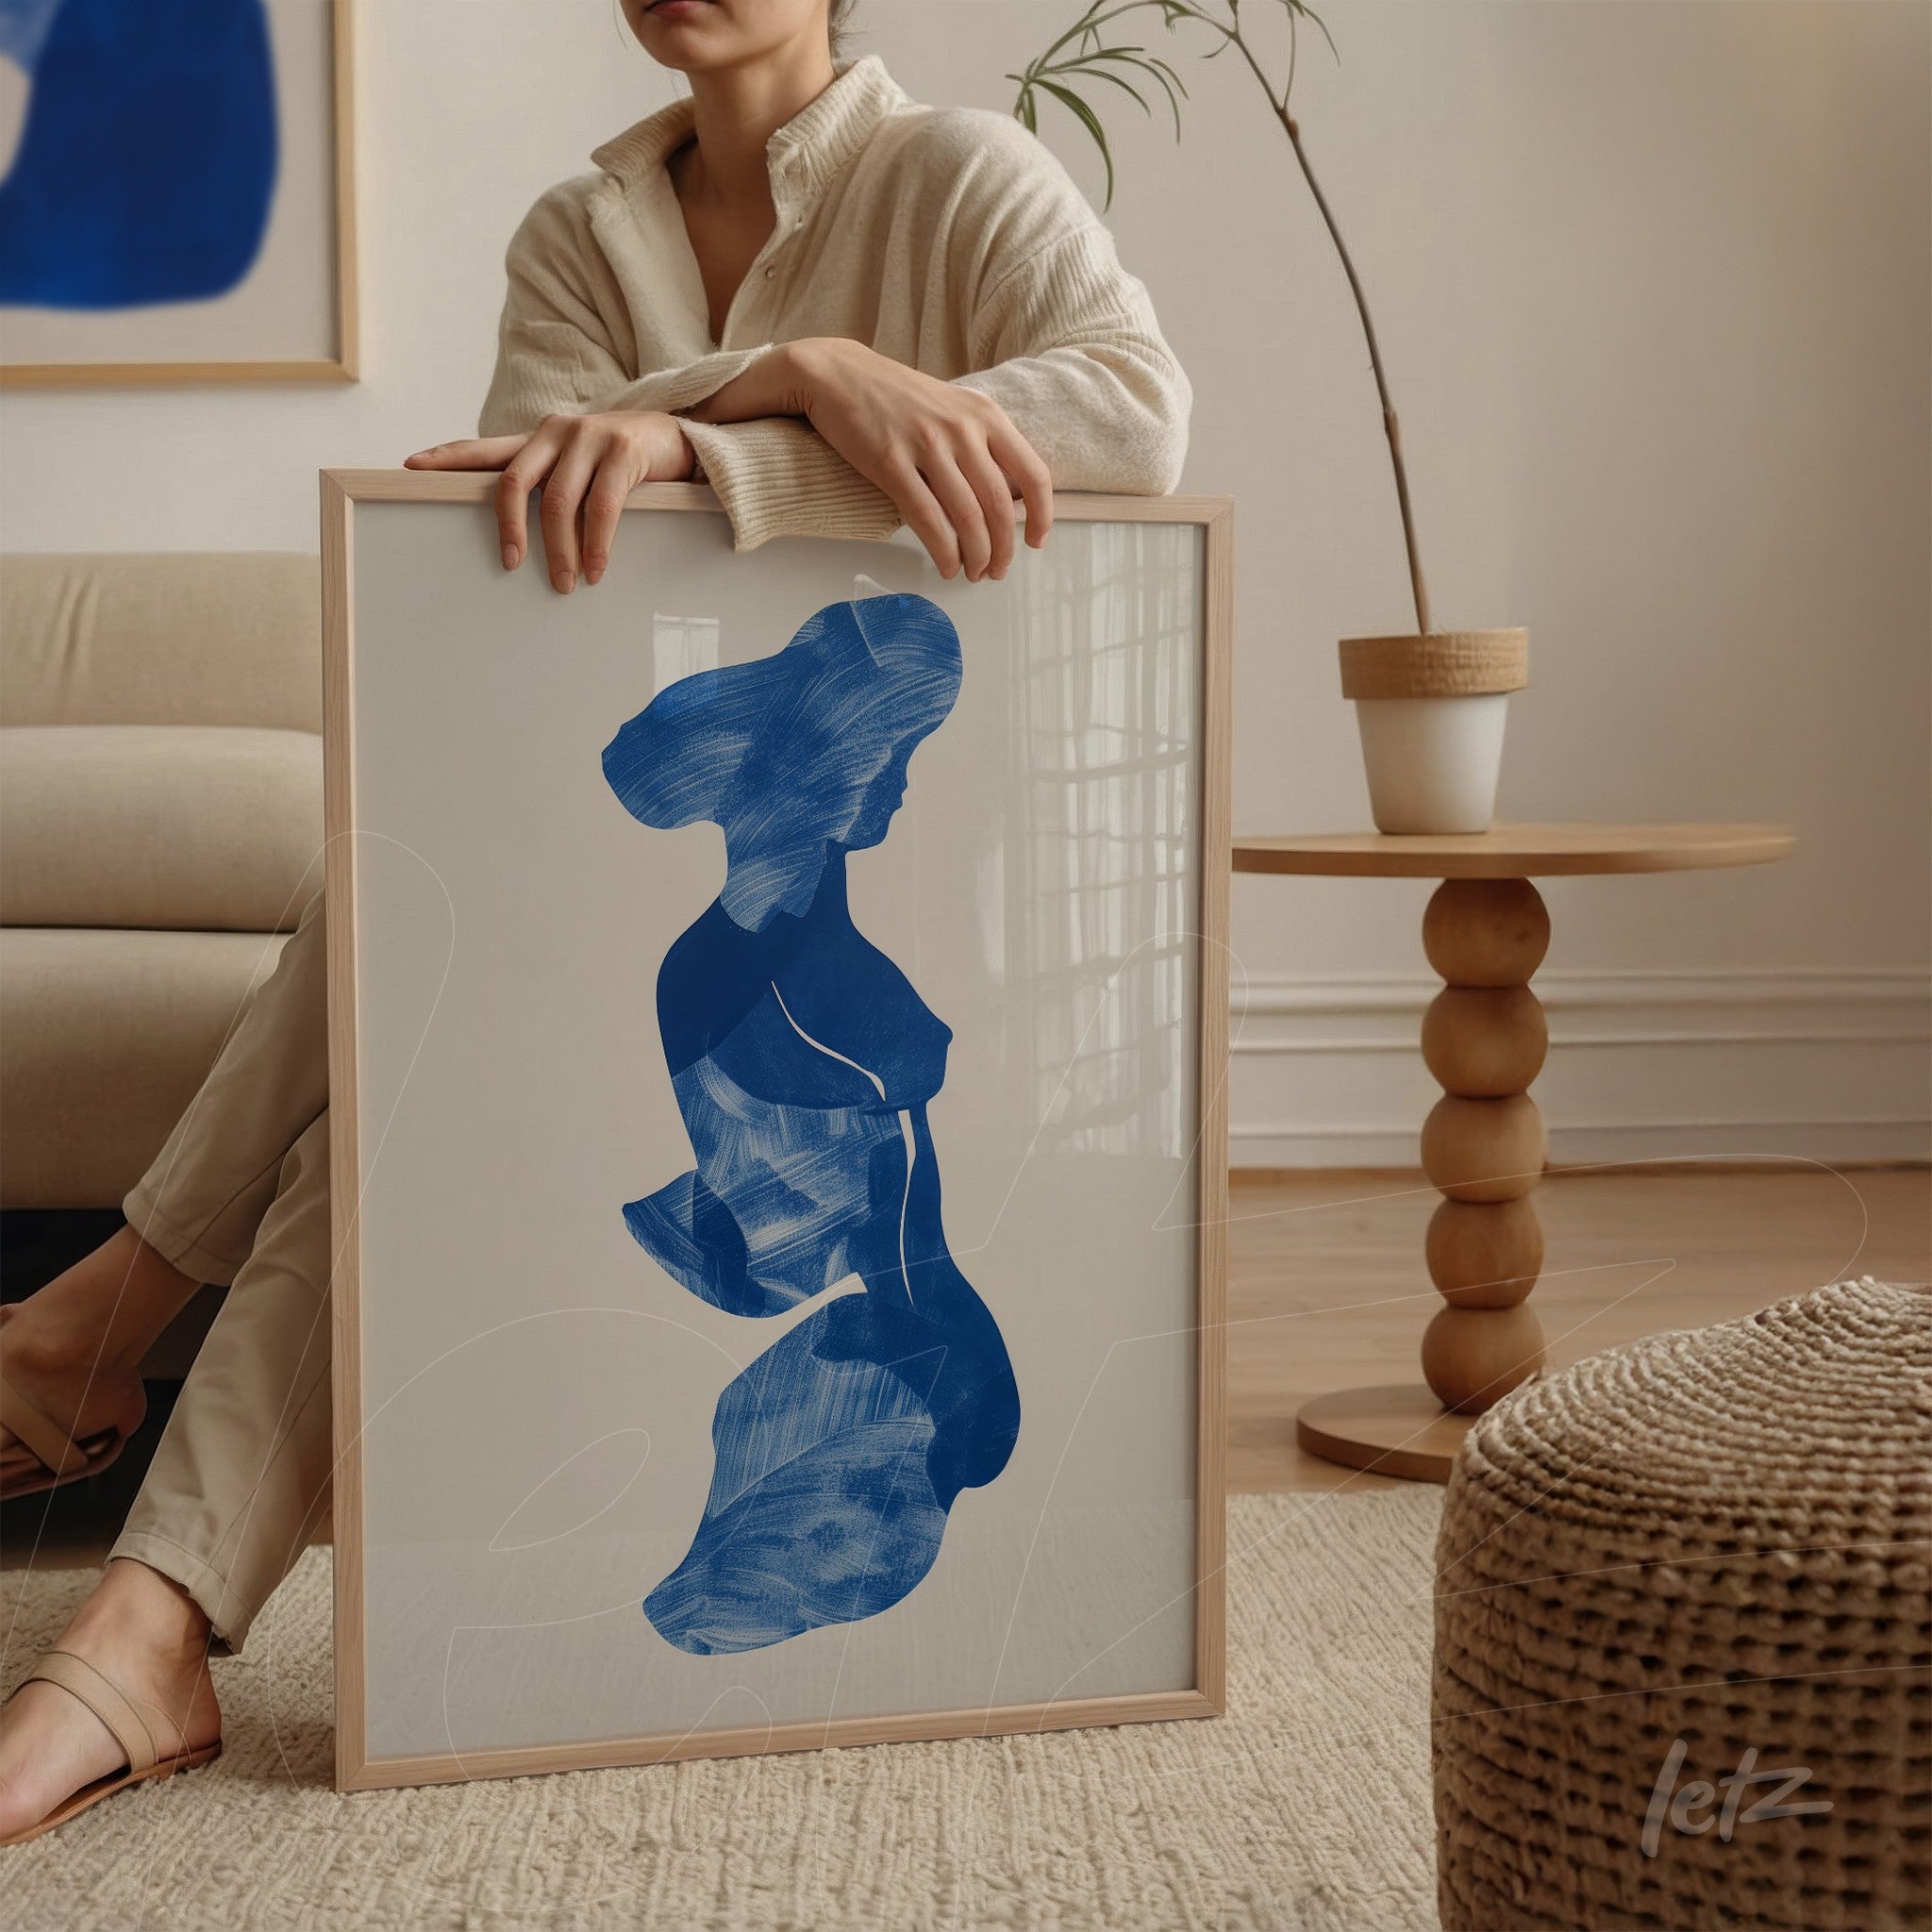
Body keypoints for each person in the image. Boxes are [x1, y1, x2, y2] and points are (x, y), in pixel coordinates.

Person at [0, 0, 1189, 1842]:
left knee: (406, 927)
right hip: (620, 829)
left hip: (899, 859)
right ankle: (147, 1615)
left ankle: (113, 1368)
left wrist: (739, 421)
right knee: (420, 946)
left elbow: (1130, 413)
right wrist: (805, 373)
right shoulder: (579, 230)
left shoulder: (958, 172)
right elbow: (510, 524)